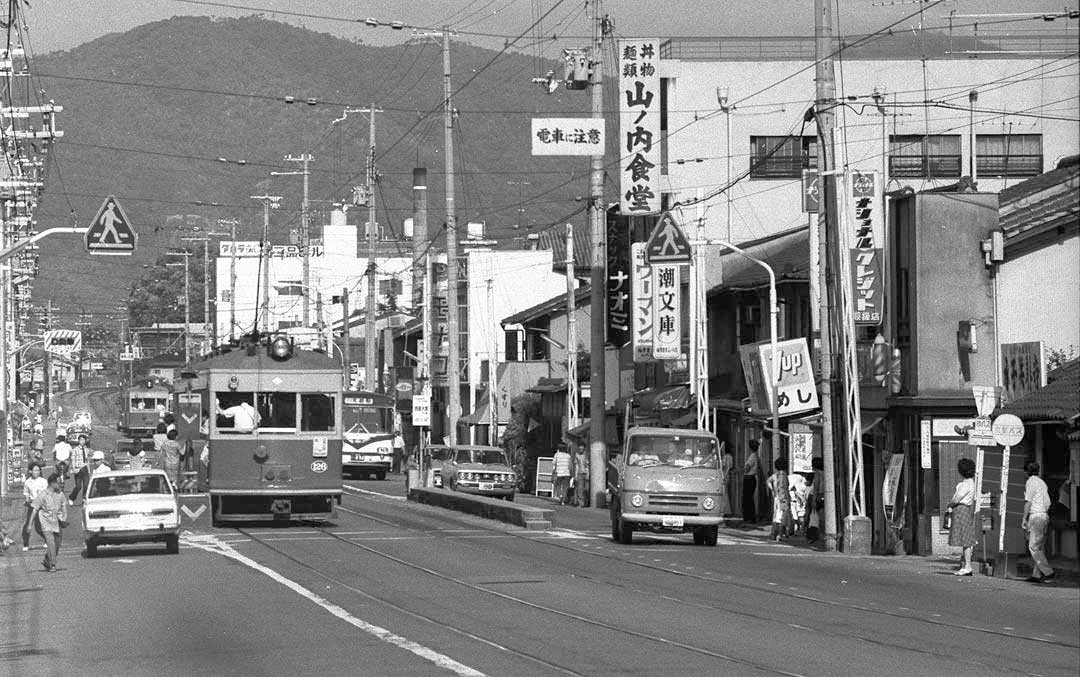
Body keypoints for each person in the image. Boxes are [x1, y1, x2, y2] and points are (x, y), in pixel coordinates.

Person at [1022, 461, 1055, 584]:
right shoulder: (1042, 482)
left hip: (1036, 516)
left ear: (1026, 472)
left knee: (1033, 546)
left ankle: (1048, 573)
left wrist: (1024, 518)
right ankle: (1036, 574)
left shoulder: (1030, 482)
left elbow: (1028, 502)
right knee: (1039, 546)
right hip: (1044, 514)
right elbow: (1048, 502)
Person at [29, 473, 68, 573]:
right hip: (46, 522)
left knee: (57, 544)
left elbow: (63, 506)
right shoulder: (43, 495)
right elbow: (34, 509)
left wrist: (64, 518)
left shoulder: (60, 494)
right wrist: (29, 525)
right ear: (52, 483)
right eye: (59, 483)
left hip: (57, 521)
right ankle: (53, 565)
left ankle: (47, 559)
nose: (61, 485)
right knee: (51, 543)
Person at [946, 457, 978, 576]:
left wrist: (950, 504)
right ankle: (966, 565)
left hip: (961, 509)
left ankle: (968, 566)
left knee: (965, 539)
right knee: (965, 538)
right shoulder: (971, 482)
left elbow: (957, 498)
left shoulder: (965, 484)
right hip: (965, 509)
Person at [21, 462, 48, 551]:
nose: (37, 472)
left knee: (38, 526)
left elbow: (45, 495)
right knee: (28, 525)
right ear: (30, 471)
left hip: (41, 507)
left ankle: (48, 540)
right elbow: (27, 495)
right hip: (32, 506)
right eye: (35, 470)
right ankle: (25, 544)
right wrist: (28, 501)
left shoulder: (43, 481)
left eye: (38, 470)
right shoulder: (27, 482)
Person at [766, 457, 792, 541]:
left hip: (777, 497)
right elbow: (783, 487)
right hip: (782, 498)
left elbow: (768, 481)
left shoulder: (774, 475)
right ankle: (779, 535)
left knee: (776, 516)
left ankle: (773, 534)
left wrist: (773, 490)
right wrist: (786, 499)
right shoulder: (783, 475)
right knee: (781, 517)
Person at [67, 435, 93, 503]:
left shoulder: (86, 449)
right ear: (78, 441)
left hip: (85, 468)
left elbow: (88, 460)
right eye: (81, 440)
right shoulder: (75, 450)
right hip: (78, 469)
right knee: (78, 486)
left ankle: (84, 499)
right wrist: (74, 468)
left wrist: (89, 469)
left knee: (86, 485)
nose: (82, 441)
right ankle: (72, 497)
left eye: (83, 440)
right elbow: (73, 460)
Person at [805, 457, 825, 545]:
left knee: (814, 517)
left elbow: (816, 487)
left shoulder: (817, 474)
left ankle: (815, 536)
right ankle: (822, 535)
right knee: (821, 517)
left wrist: (814, 500)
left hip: (816, 495)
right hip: (824, 496)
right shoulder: (826, 473)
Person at [742, 439, 762, 524]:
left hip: (749, 478)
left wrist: (741, 469)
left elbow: (747, 468)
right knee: (749, 498)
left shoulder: (752, 456)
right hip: (752, 478)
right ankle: (751, 517)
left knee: (747, 498)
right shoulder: (756, 456)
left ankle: (749, 517)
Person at [721, 446, 735, 517]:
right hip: (728, 475)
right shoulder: (731, 456)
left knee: (724, 493)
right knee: (726, 492)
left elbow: (723, 465)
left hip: (724, 474)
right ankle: (728, 510)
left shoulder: (725, 457)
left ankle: (725, 510)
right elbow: (731, 466)